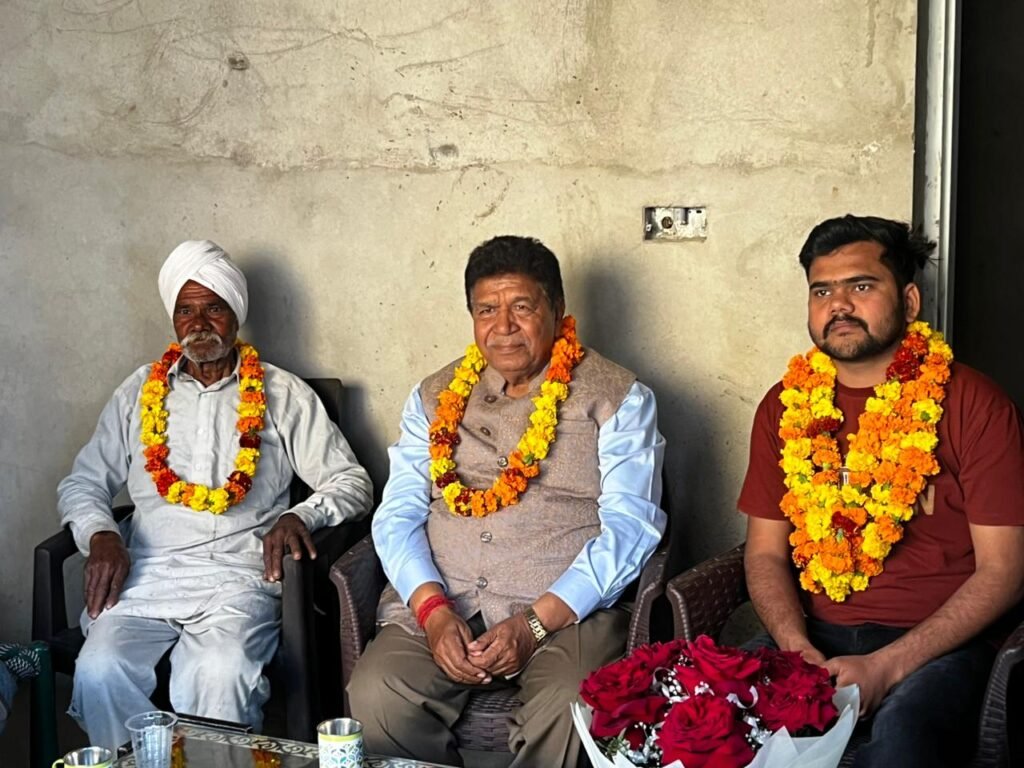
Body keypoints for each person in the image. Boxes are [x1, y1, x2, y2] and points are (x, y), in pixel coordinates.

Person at [348, 235, 666, 767]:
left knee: (571, 703)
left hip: (568, 614)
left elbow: (632, 527)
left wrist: (536, 623)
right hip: (442, 601)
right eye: (486, 310)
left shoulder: (619, 396)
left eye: (522, 307)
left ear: (557, 309)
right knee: (380, 693)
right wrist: (431, 610)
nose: (504, 326)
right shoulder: (433, 395)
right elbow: (398, 512)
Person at [57, 240, 373, 751]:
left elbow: (351, 481)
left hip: (238, 579)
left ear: (236, 315)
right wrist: (101, 534)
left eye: (214, 309)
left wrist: (301, 515)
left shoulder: (282, 393)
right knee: (99, 669)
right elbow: (83, 482)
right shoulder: (139, 391)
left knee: (220, 673)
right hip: (146, 576)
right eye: (186, 310)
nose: (199, 324)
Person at [738, 214, 1024, 767]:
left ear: (910, 301)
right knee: (705, 720)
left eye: (862, 286)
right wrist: (796, 649)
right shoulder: (783, 406)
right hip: (812, 635)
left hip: (939, 644)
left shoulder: (975, 405)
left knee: (902, 740)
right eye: (822, 291)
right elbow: (765, 553)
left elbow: (1005, 573)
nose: (839, 305)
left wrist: (887, 666)